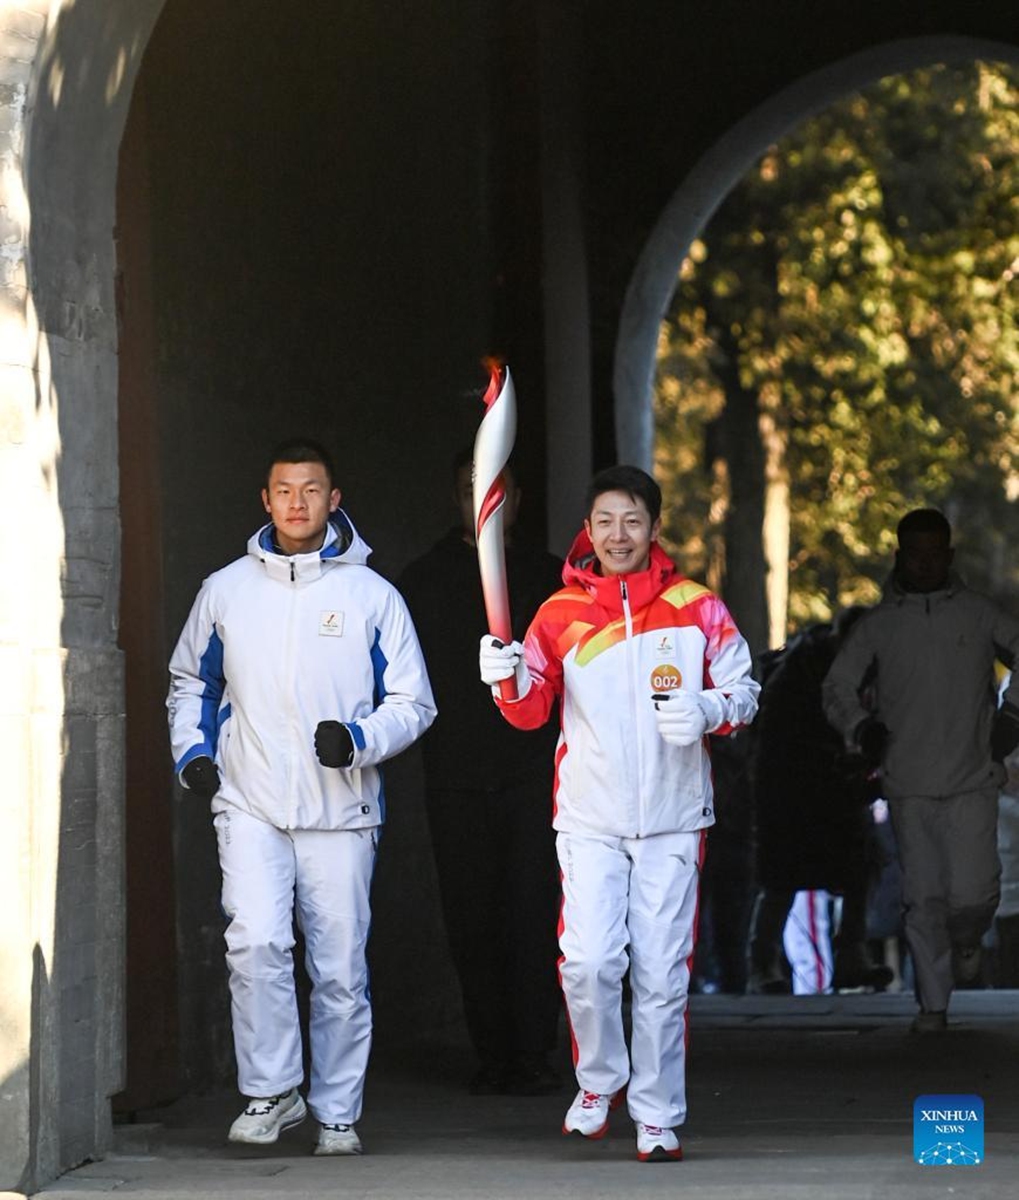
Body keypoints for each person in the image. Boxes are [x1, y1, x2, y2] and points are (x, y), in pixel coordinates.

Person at [478, 465, 759, 1163]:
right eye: (604, 521)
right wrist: (502, 678)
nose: (617, 534)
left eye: (631, 520)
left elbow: (743, 692)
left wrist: (708, 709)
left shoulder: (697, 607)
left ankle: (657, 1114)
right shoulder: (557, 616)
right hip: (588, 818)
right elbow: (528, 711)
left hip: (672, 819)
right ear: (588, 528)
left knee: (662, 975)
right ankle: (598, 1084)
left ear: (654, 528)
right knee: (589, 962)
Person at [167, 438, 436, 1154]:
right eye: (283, 490)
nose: (296, 503)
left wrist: (358, 739)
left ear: (333, 499)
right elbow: (192, 681)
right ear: (265, 499)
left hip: (340, 810)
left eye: (311, 490)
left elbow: (414, 702)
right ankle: (271, 1092)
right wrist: (193, 754)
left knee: (339, 964)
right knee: (254, 943)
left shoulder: (371, 595)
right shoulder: (226, 589)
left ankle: (337, 1110)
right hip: (249, 800)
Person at [398, 450, 564, 1095]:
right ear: (455, 497)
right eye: (473, 487)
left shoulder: (552, 581)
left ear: (518, 500)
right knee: (472, 920)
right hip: (456, 777)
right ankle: (493, 1053)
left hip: (536, 781)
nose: (486, 498)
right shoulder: (421, 581)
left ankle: (535, 1052)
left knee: (534, 916)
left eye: (499, 487)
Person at [822, 507, 1019, 1033]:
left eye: (936, 554)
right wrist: (862, 727)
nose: (927, 564)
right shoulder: (880, 625)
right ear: (900, 556)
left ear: (949, 556)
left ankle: (969, 937)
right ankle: (933, 1006)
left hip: (974, 778)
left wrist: (1012, 715)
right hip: (907, 784)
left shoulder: (978, 614)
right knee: (923, 896)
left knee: (973, 894)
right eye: (917, 554)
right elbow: (836, 687)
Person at [746, 614, 892, 995]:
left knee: (861, 864)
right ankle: (762, 964)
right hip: (789, 792)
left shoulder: (867, 672)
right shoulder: (798, 673)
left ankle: (851, 955)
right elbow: (779, 745)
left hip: (838, 787)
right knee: (782, 878)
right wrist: (842, 762)